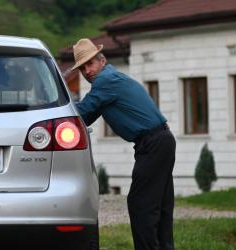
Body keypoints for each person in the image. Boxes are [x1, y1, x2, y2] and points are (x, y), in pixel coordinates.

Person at [70, 38, 177, 250]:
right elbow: (88, 116)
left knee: (140, 204)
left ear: (102, 61)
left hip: (153, 144)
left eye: (90, 64)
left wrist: (53, 109)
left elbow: (81, 113)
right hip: (161, 141)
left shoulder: (105, 81)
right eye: (82, 68)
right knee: (160, 206)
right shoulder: (110, 82)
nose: (87, 71)